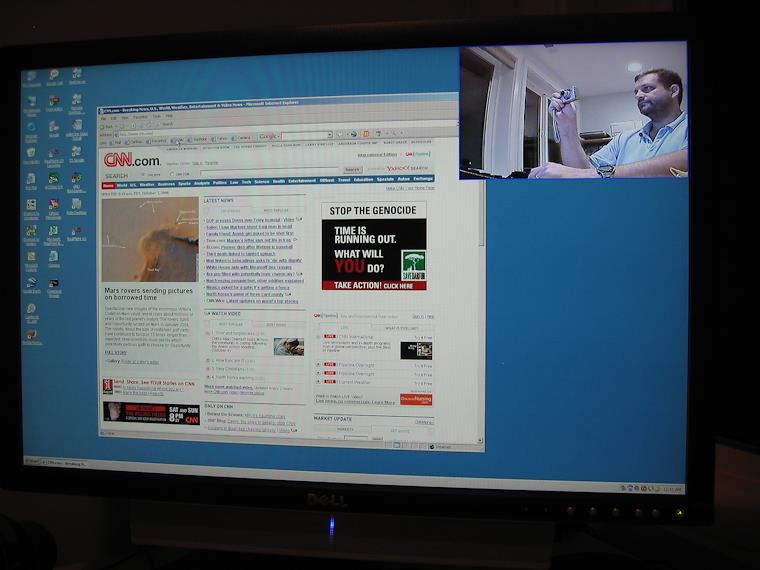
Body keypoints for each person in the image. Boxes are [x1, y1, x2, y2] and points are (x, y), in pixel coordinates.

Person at [529, 68, 688, 179]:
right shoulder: (624, 139)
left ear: (673, 91)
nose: (638, 95)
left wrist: (588, 175)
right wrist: (567, 126)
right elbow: (582, 171)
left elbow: (684, 161)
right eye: (636, 91)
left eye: (647, 88)